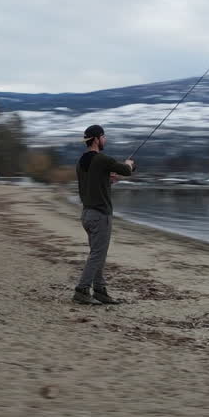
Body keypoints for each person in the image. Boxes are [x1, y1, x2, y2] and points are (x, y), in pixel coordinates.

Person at [73, 124, 135, 305]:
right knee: (98, 255)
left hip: (87, 214)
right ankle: (82, 290)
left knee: (97, 253)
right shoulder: (101, 159)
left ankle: (100, 291)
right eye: (104, 137)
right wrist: (130, 164)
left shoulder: (81, 161)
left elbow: (93, 181)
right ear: (97, 139)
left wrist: (108, 179)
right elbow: (126, 171)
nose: (105, 140)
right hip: (100, 215)